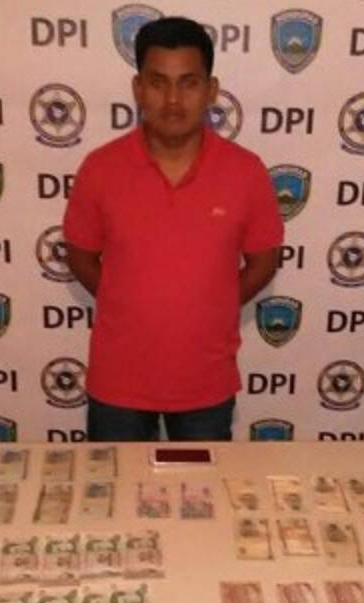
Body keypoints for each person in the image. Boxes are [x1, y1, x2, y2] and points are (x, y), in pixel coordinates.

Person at [63, 16, 283, 442]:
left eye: (189, 83)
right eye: (158, 82)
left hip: (206, 382)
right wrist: (129, 301)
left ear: (211, 90)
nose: (173, 100)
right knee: (115, 485)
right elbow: (80, 255)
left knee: (206, 486)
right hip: (118, 382)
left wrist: (211, 305)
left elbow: (263, 262)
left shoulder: (246, 172)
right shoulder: (100, 169)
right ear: (138, 88)